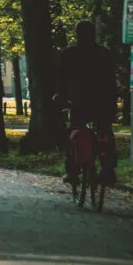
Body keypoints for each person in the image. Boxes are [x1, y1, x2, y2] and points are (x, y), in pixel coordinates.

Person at [56, 21, 118, 184]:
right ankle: (108, 170)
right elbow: (112, 82)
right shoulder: (105, 54)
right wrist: (113, 104)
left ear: (77, 34)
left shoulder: (68, 54)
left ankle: (72, 171)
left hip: (79, 102)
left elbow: (62, 81)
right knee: (105, 134)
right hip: (102, 102)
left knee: (74, 133)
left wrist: (61, 98)